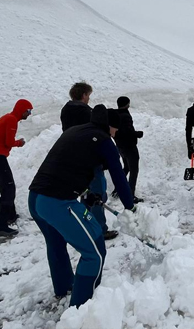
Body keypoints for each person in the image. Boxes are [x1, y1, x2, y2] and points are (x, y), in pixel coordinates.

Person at [28, 105, 137, 307]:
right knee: (94, 251)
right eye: (115, 130)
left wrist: (86, 192)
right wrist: (130, 206)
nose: (115, 134)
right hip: (57, 202)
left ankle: (65, 287)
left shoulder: (76, 130)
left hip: (35, 198)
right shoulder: (104, 140)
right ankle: (83, 311)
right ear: (110, 127)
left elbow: (69, 164)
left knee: (56, 244)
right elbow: (119, 177)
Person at [60, 82, 115, 240]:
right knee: (97, 193)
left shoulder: (66, 110)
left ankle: (84, 225)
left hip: (72, 156)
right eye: (88, 95)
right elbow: (95, 135)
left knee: (84, 193)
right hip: (89, 159)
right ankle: (99, 229)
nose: (89, 99)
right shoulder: (85, 112)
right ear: (84, 94)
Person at [0, 99, 32, 237]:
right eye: (28, 111)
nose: (29, 114)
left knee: (6, 188)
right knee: (9, 189)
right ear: (21, 110)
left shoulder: (6, 118)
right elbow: (9, 141)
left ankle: (10, 215)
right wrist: (19, 142)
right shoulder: (11, 120)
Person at [114, 96, 144, 203]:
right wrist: (138, 134)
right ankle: (130, 194)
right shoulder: (125, 116)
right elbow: (128, 132)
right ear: (127, 104)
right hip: (129, 147)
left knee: (126, 167)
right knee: (134, 170)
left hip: (120, 146)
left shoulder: (116, 115)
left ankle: (117, 188)